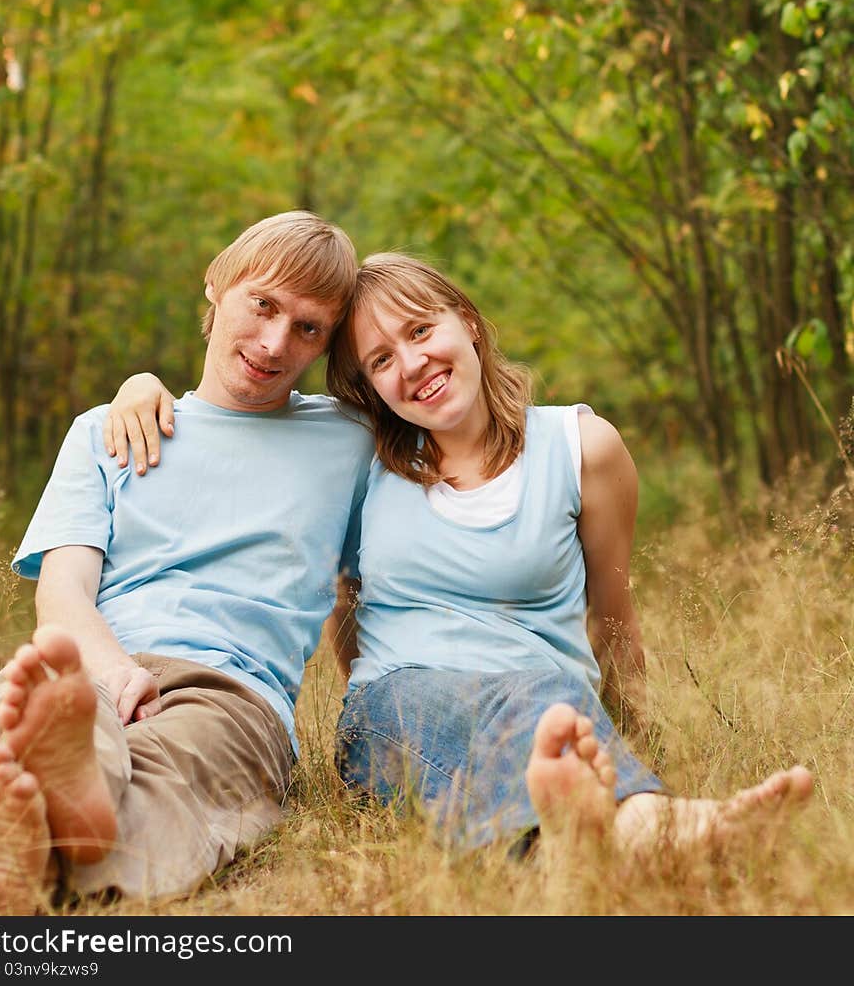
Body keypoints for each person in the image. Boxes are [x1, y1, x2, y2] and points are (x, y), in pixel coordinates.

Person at [104, 251, 814, 863]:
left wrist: (631, 738)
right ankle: (660, 826)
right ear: (369, 385)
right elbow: (239, 427)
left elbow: (614, 621)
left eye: (421, 330)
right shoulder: (360, 455)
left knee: (547, 706)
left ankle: (599, 837)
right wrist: (140, 385)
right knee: (519, 705)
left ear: (466, 322)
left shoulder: (581, 448)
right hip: (400, 710)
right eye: (381, 359)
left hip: (555, 704)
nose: (412, 365)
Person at [0, 211, 374, 914]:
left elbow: (459, 431)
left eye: (308, 329)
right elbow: (63, 593)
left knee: (183, 760)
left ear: (326, 344)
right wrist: (114, 671)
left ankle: (38, 827)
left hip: (230, 690)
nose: (276, 342)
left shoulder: (348, 441)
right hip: (88, 662)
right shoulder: (105, 431)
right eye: (264, 305)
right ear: (217, 287)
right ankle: (67, 789)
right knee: (54, 705)